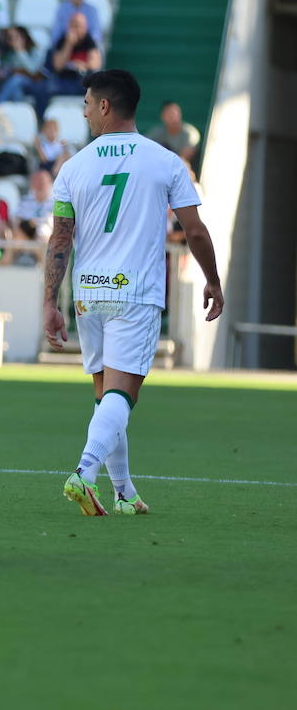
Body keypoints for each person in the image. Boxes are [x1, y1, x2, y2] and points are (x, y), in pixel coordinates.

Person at [43, 70, 224, 517]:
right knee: (123, 396)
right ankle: (84, 473)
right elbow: (195, 230)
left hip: (88, 293)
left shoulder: (73, 166)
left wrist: (49, 301)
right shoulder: (165, 161)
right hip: (135, 293)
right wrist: (213, 279)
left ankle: (123, 492)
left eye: (86, 103)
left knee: (108, 396)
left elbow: (59, 239)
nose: (83, 112)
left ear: (105, 106)